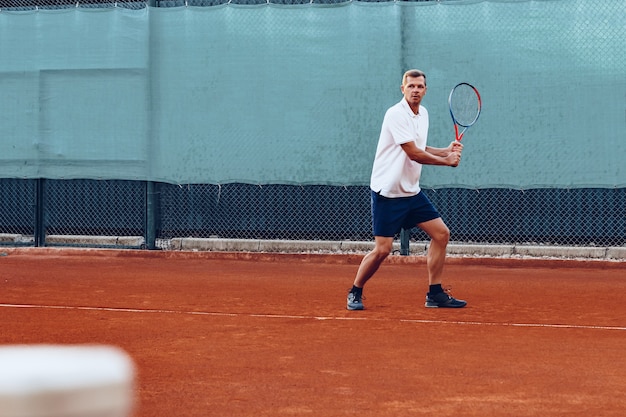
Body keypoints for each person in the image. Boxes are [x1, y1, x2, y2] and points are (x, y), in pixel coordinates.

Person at [347, 69, 466, 310]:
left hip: (411, 192)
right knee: (382, 250)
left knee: (441, 234)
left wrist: (444, 150)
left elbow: (419, 146)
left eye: (420, 87)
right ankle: (355, 291)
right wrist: (446, 161)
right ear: (403, 89)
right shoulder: (395, 114)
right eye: (410, 86)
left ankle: (435, 293)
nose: (415, 90)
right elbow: (412, 153)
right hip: (388, 193)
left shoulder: (423, 114)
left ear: (425, 90)